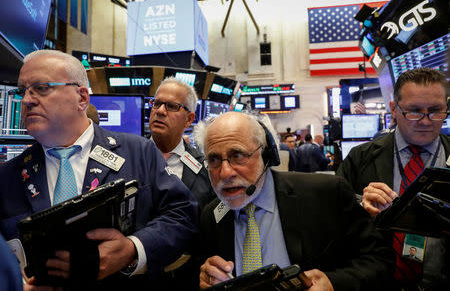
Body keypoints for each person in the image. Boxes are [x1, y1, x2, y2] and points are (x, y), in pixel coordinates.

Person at [0, 50, 198, 290]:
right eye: (22, 91)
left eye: (41, 88)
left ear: (82, 98)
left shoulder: (138, 152)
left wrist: (132, 248)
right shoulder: (7, 176)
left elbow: (182, 214)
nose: (27, 100)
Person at [195, 112, 394, 291]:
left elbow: (379, 262)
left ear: (266, 154)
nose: (225, 172)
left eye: (237, 156)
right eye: (213, 160)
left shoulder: (325, 193)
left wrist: (334, 283)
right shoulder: (211, 215)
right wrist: (205, 278)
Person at [337, 67, 450, 290]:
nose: (426, 121)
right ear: (394, 109)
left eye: (436, 111)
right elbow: (330, 214)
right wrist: (360, 205)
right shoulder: (361, 157)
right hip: (376, 283)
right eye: (414, 111)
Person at [149, 77, 215, 209]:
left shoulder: (206, 170)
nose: (160, 111)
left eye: (172, 106)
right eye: (157, 103)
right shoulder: (129, 155)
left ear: (189, 119)